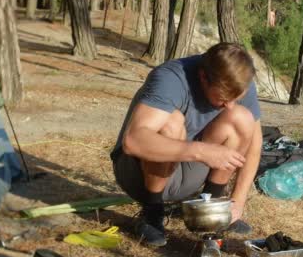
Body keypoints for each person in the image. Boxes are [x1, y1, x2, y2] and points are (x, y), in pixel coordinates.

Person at [111, 43, 262, 246]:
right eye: (223, 99)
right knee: (171, 122)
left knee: (242, 118)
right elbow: (134, 141)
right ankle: (152, 214)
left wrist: (237, 202)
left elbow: (254, 144)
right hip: (137, 175)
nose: (229, 105)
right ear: (203, 77)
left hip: (185, 172)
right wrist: (201, 151)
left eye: (237, 98)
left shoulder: (240, 81)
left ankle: (211, 211)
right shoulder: (171, 78)